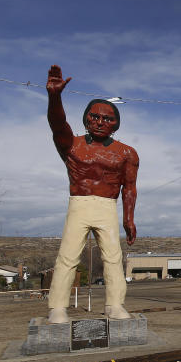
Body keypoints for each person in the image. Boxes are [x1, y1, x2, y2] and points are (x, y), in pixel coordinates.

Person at [45, 65, 139, 324]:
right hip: (79, 202)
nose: (100, 122)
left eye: (107, 119)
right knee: (67, 256)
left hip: (108, 205)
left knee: (113, 257)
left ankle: (115, 305)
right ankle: (57, 308)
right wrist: (55, 96)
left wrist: (128, 218)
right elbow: (57, 124)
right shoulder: (72, 145)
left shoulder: (127, 153)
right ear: (86, 119)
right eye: (95, 117)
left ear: (116, 124)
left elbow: (129, 186)